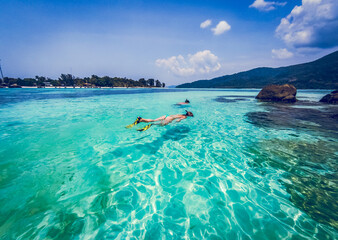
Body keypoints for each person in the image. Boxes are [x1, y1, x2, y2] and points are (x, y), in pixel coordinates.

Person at [126, 110, 194, 131]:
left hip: (166, 116)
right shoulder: (185, 117)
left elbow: (176, 116)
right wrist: (176, 122)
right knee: (155, 124)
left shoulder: (181, 114)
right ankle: (148, 126)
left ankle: (140, 119)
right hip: (168, 120)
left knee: (153, 120)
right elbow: (179, 119)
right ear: (189, 115)